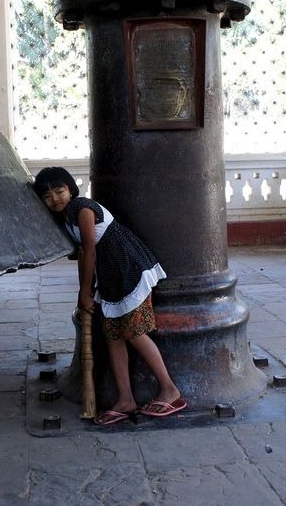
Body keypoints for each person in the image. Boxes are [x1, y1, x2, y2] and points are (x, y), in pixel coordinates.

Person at [33, 167, 184, 425]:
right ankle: (126, 398)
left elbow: (90, 251)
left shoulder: (82, 209)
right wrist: (87, 291)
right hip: (111, 278)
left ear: (70, 189)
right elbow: (83, 257)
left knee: (134, 331)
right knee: (113, 335)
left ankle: (170, 389)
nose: (55, 199)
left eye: (59, 191)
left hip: (129, 270)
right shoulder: (67, 219)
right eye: (47, 196)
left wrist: (84, 291)